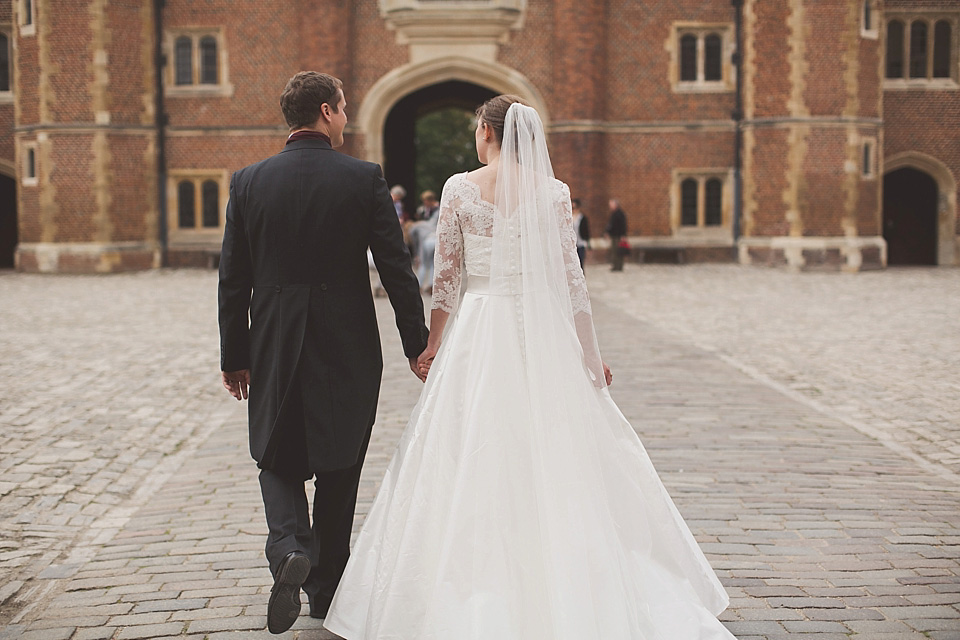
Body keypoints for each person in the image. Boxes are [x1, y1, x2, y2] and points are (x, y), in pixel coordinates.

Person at [324, 96, 734, 640]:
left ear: (488, 133)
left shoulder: (460, 188)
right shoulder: (554, 193)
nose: (475, 139)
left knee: (471, 443)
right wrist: (589, 356)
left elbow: (447, 280)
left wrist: (432, 344)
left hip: (479, 325)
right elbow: (572, 282)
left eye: (476, 130)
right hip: (544, 332)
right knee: (554, 446)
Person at [218, 71, 429, 635]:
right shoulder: (363, 178)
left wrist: (233, 357)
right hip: (348, 343)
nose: (346, 117)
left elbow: (232, 280)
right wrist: (417, 344)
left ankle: (288, 544)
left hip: (274, 342)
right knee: (341, 467)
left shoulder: (248, 182)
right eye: (343, 108)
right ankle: (326, 590)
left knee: (274, 453)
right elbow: (396, 269)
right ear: (328, 112)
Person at [606, 198, 628, 271]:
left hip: (618, 236)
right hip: (614, 235)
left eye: (611, 204)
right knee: (614, 251)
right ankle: (615, 265)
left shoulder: (620, 214)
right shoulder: (614, 213)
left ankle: (619, 266)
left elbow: (623, 225)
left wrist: (623, 235)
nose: (610, 206)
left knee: (618, 251)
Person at [571, 197, 591, 270]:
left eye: (575, 207)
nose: (574, 210)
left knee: (581, 262)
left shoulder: (582, 218)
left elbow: (586, 231)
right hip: (572, 244)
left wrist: (588, 243)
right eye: (572, 208)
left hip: (581, 242)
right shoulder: (569, 218)